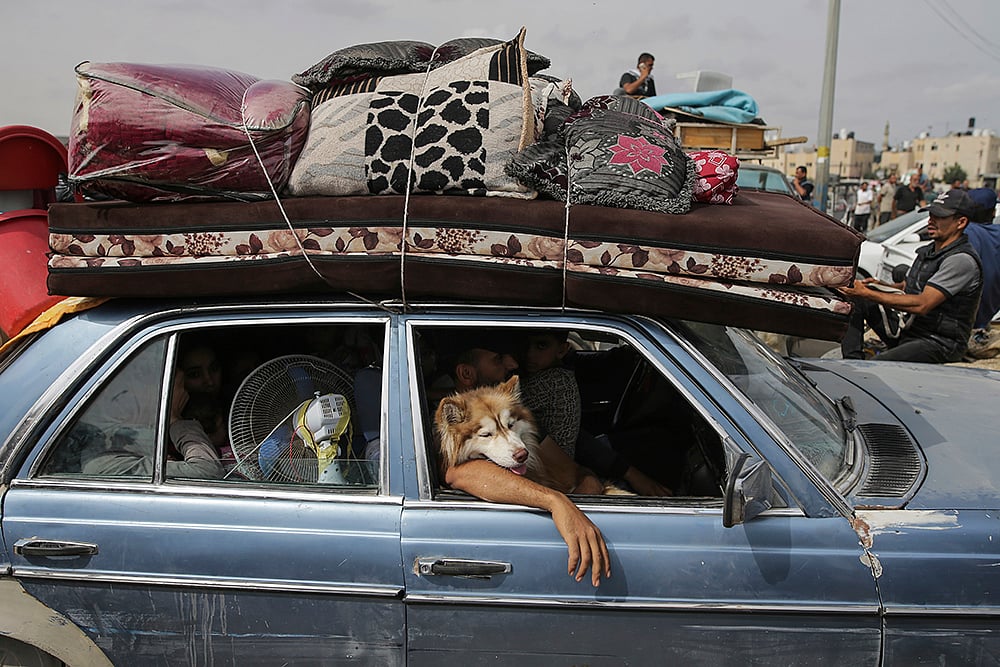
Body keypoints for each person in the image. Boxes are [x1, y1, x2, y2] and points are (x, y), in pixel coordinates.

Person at [435, 331, 610, 586]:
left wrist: (588, 484)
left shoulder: (511, 423)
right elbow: (458, 473)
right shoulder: (452, 431)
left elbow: (574, 471)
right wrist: (556, 502)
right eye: (498, 359)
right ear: (466, 373)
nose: (513, 364)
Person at [518, 329, 672, 497]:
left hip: (558, 475)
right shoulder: (554, 379)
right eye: (524, 345)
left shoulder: (554, 381)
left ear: (562, 350)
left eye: (541, 346)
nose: (529, 354)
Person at [838, 189, 983, 363]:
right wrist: (879, 286)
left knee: (877, 366)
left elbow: (923, 304)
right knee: (856, 298)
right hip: (911, 329)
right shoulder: (930, 250)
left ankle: (862, 372)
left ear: (961, 222)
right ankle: (852, 362)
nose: (931, 221)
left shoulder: (960, 260)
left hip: (938, 342)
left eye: (940, 217)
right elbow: (911, 287)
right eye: (931, 215)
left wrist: (867, 293)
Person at [83, 370, 225, 478]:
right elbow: (208, 471)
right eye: (175, 393)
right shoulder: (105, 462)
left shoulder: (134, 443)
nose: (182, 398)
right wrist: (173, 417)